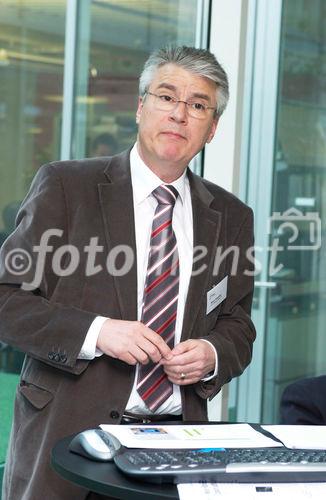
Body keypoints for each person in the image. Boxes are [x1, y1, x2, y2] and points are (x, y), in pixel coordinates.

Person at [0, 46, 256, 499]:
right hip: (71, 444)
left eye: (198, 105)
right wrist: (98, 332)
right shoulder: (66, 186)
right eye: (166, 96)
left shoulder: (233, 216)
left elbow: (239, 324)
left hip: (179, 453)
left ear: (212, 128)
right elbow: (6, 299)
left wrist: (213, 353)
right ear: (141, 107)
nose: (179, 114)